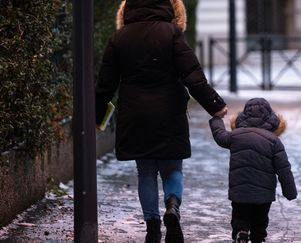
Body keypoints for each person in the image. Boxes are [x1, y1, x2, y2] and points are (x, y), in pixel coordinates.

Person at [95, 0, 227, 242]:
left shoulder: (120, 37)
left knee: (145, 172)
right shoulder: (172, 33)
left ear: (126, 10)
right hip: (170, 111)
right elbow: (193, 76)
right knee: (172, 168)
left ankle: (152, 228)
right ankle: (173, 206)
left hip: (135, 114)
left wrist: (95, 114)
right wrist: (215, 106)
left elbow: (106, 84)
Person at [209, 98, 297, 243]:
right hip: (263, 194)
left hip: (240, 191)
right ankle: (258, 238)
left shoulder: (235, 136)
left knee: (239, 216)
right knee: (260, 221)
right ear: (271, 118)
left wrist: (216, 118)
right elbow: (284, 169)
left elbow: (220, 136)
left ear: (243, 116)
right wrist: (290, 192)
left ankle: (241, 231)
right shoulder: (273, 141)